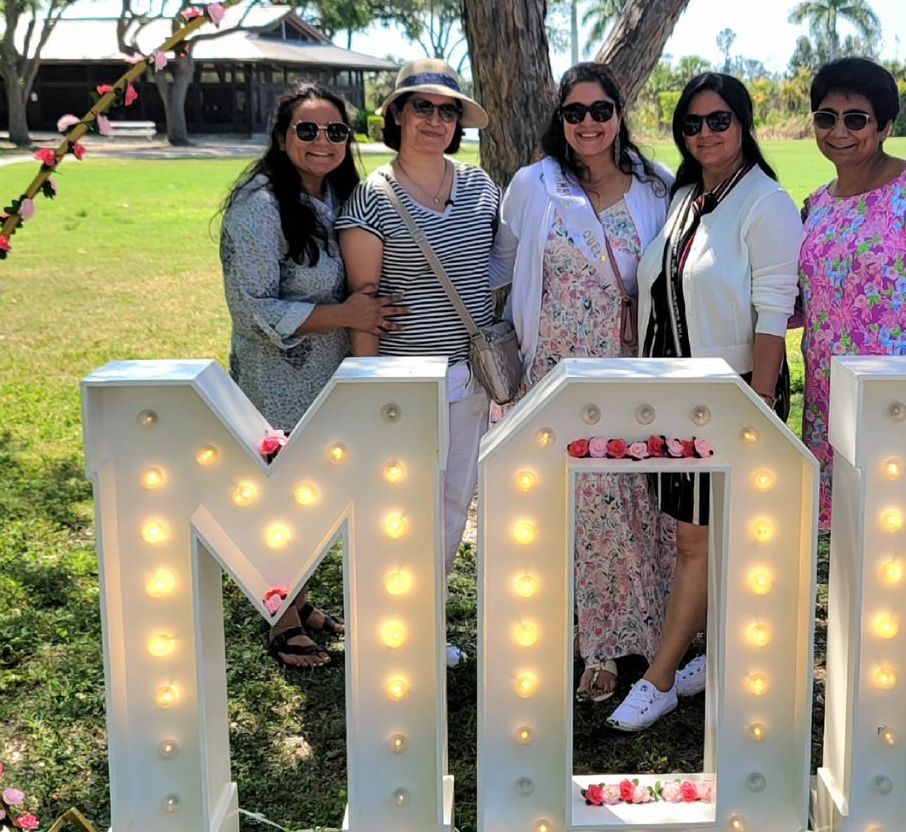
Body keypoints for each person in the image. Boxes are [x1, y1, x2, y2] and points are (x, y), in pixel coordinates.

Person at [607, 73, 802, 732]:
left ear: (743, 124)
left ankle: (660, 678)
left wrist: (757, 413)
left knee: (696, 539)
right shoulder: (688, 194)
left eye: (719, 121)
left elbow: (773, 315)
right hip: (674, 396)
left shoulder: (766, 204)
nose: (705, 134)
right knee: (706, 536)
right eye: (691, 124)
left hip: (730, 400)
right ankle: (723, 655)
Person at [497, 63, 674, 703]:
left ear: (619, 114)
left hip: (637, 368)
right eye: (575, 112)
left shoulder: (656, 186)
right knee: (586, 509)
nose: (589, 123)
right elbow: (502, 266)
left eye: (601, 110)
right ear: (560, 120)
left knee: (644, 505)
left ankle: (656, 634)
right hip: (560, 373)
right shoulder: (534, 184)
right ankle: (597, 646)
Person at [220, 83, 404, 668]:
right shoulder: (259, 206)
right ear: (281, 137)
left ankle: (300, 600)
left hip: (330, 373)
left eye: (335, 131)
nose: (322, 142)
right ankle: (281, 619)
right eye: (307, 130)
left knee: (319, 493)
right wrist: (347, 315)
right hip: (278, 376)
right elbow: (251, 310)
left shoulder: (337, 195)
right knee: (285, 498)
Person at [338, 60, 503, 667]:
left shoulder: (482, 188)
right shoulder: (372, 198)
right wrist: (369, 399)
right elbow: (364, 309)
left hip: (470, 382)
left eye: (448, 109)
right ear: (398, 115)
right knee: (399, 511)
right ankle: (387, 633)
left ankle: (422, 627)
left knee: (453, 506)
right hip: (402, 387)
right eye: (422, 107)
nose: (435, 119)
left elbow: (497, 271)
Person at [798, 56, 906, 527]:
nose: (839, 131)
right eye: (826, 118)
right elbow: (805, 299)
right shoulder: (817, 203)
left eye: (856, 119)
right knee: (850, 537)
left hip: (899, 400)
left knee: (897, 534)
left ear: (885, 126)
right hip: (827, 397)